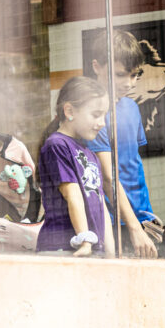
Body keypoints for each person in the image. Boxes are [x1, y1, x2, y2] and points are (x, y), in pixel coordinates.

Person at [86, 30, 159, 258]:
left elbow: (132, 165)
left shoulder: (131, 107)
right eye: (120, 75)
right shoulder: (93, 114)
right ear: (97, 66)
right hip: (113, 222)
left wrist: (146, 217)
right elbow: (107, 178)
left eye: (135, 75)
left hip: (142, 215)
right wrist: (134, 228)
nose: (129, 83)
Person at [35, 76, 114, 258]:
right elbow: (72, 195)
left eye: (104, 115)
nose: (102, 123)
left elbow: (101, 205)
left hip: (90, 249)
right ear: (70, 110)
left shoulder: (90, 154)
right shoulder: (57, 145)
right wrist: (85, 239)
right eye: (96, 114)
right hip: (64, 248)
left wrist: (111, 253)